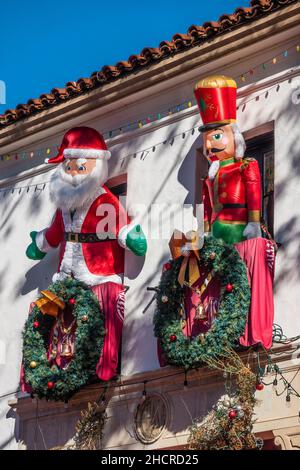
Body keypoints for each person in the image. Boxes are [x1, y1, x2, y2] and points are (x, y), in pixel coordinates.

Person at [25, 126, 147, 380]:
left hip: (98, 273)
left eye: (79, 167)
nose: (72, 175)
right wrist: (40, 244)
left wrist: (130, 236)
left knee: (93, 315)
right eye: (68, 168)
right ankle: (65, 365)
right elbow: (55, 233)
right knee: (66, 318)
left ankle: (95, 365)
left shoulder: (105, 199)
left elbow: (119, 224)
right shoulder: (63, 207)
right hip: (67, 276)